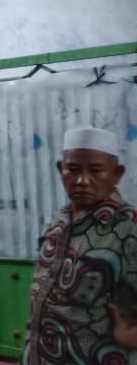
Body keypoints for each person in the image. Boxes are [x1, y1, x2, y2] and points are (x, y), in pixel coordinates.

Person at [22, 127, 137, 363]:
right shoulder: (61, 219)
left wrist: (130, 337)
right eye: (73, 169)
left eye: (96, 171)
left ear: (117, 174)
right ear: (60, 169)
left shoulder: (130, 226)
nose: (82, 181)